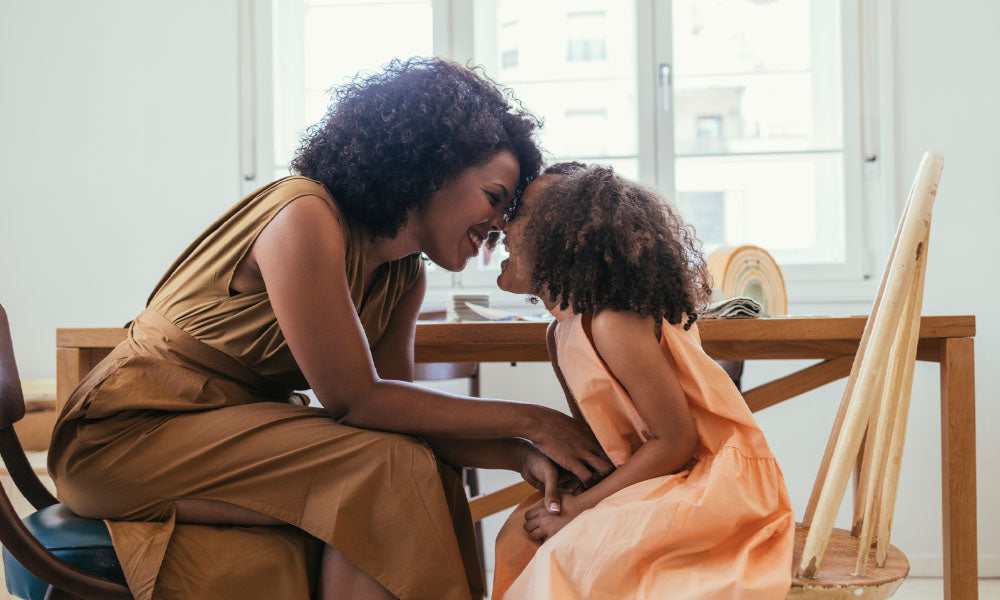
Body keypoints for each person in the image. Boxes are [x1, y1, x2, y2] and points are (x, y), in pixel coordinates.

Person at [48, 59, 611, 600]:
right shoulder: (304, 215)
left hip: (224, 432)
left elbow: (402, 419)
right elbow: (355, 400)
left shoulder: (402, 276)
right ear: (431, 168)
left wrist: (518, 454)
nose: (497, 225)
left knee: (409, 461)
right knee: (387, 470)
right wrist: (536, 421)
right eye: (494, 197)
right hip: (126, 436)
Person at [492, 163, 795, 599]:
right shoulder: (561, 331)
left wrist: (578, 509)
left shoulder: (612, 322)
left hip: (705, 480)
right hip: (650, 475)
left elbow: (675, 442)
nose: (504, 224)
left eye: (520, 213)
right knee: (519, 540)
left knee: (572, 555)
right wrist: (569, 492)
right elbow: (605, 444)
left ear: (566, 237)